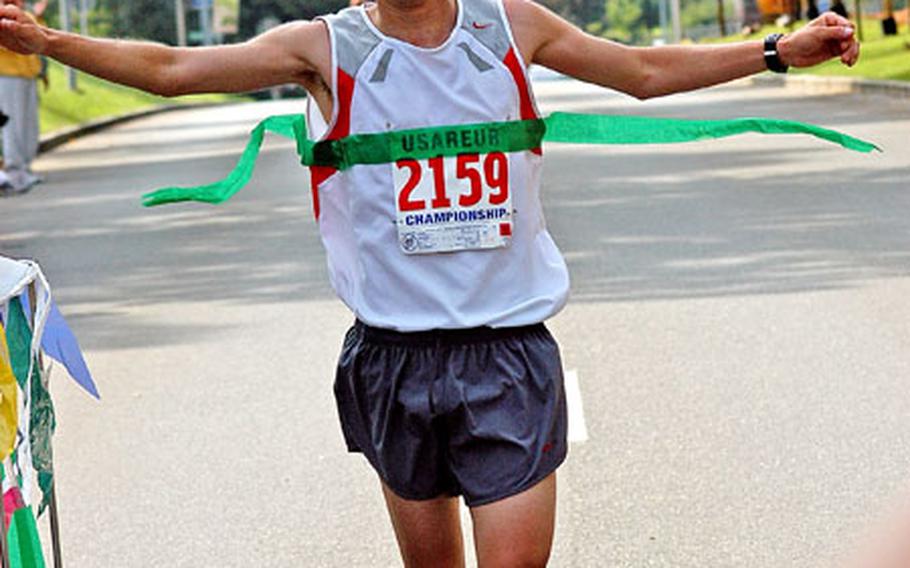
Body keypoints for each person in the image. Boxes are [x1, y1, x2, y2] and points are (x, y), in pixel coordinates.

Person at [0, 2, 860, 566]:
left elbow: (641, 72)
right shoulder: (325, 48)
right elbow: (175, 69)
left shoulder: (509, 26)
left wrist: (778, 50)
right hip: (392, 363)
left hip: (508, 359)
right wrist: (48, 42)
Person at [0, 0, 44, 195]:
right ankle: (14, 171)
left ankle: (24, 168)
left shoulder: (24, 13)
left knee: (28, 125)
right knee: (13, 124)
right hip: (7, 74)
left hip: (27, 74)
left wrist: (37, 14)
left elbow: (41, 36)